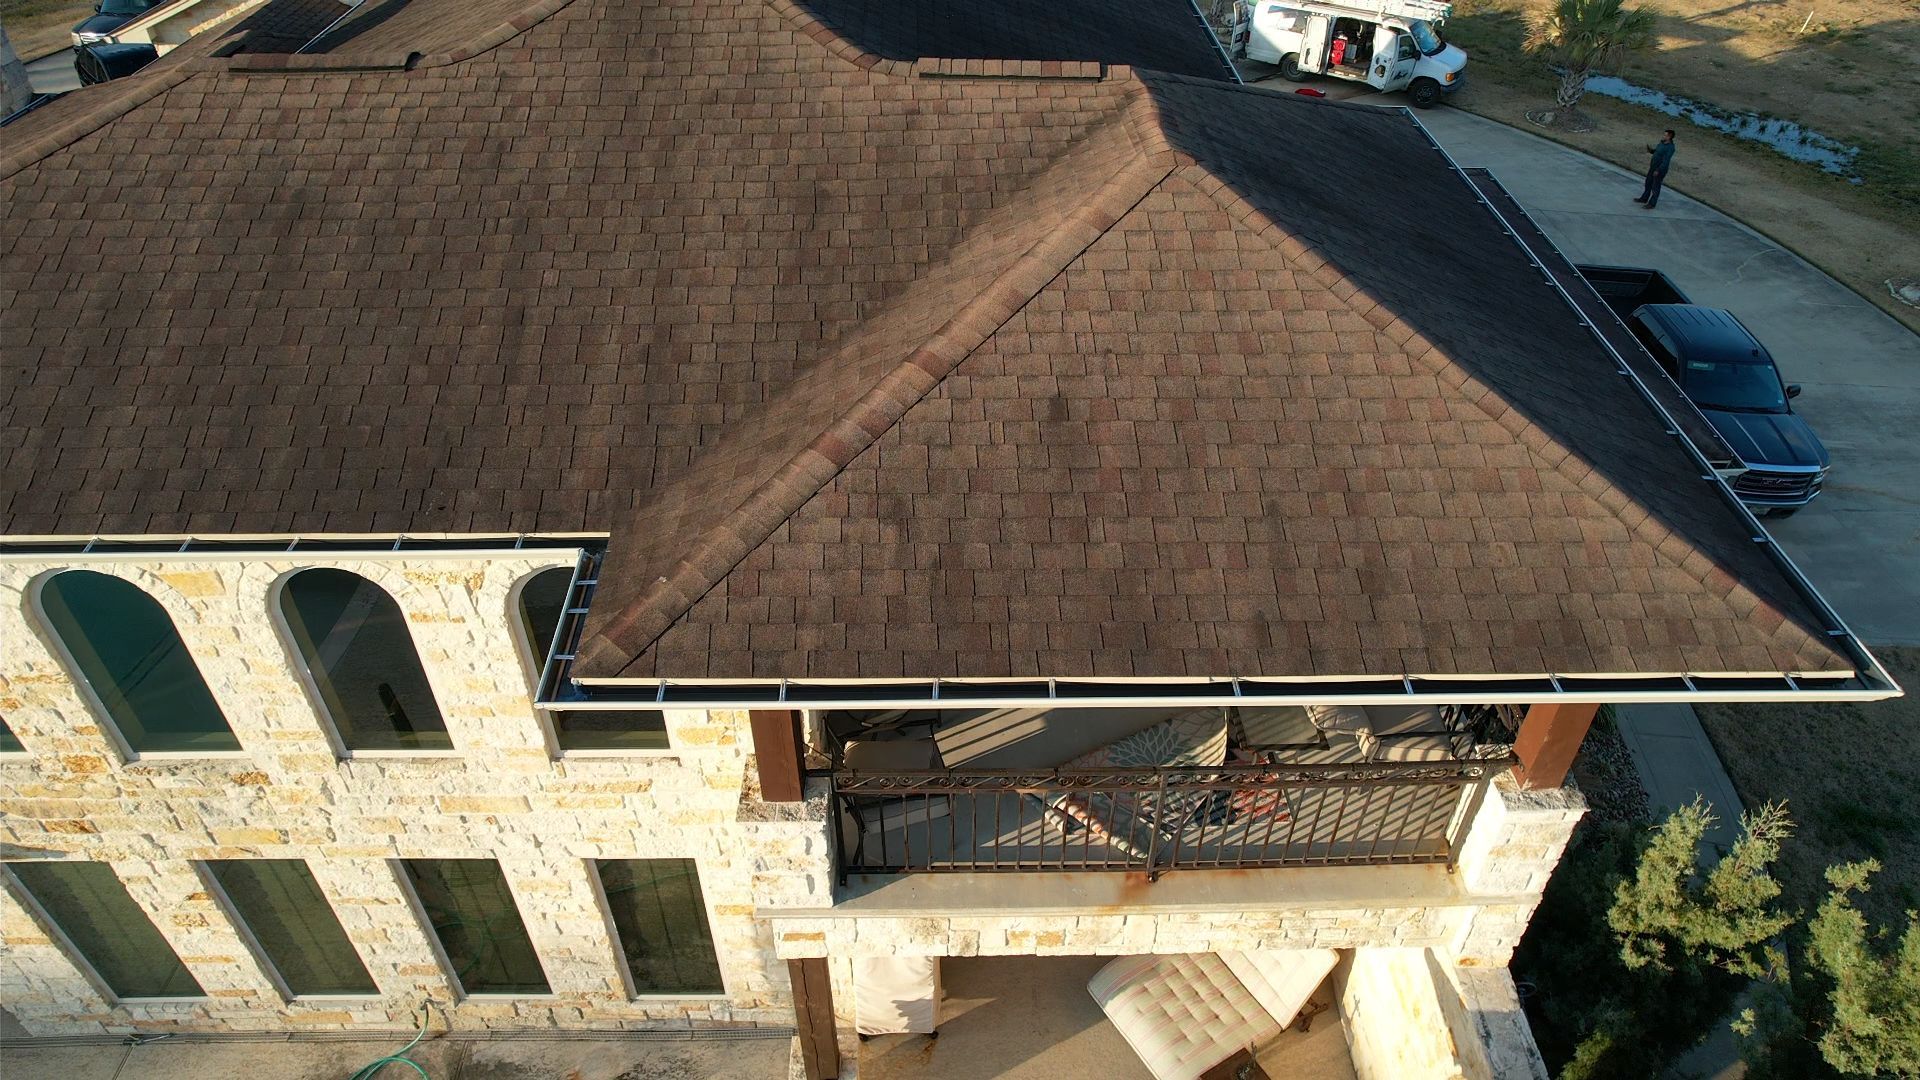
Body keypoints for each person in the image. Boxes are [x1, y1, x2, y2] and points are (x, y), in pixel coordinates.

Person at [1636, 129, 1675, 209]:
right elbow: (1657, 151)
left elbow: (1666, 161)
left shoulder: (1670, 148)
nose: (1663, 136)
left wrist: (1658, 170)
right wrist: (1651, 151)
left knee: (1655, 187)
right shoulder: (1662, 143)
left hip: (1659, 170)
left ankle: (1652, 204)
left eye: (1665, 135)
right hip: (1653, 167)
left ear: (1669, 137)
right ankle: (1644, 198)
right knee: (1648, 183)